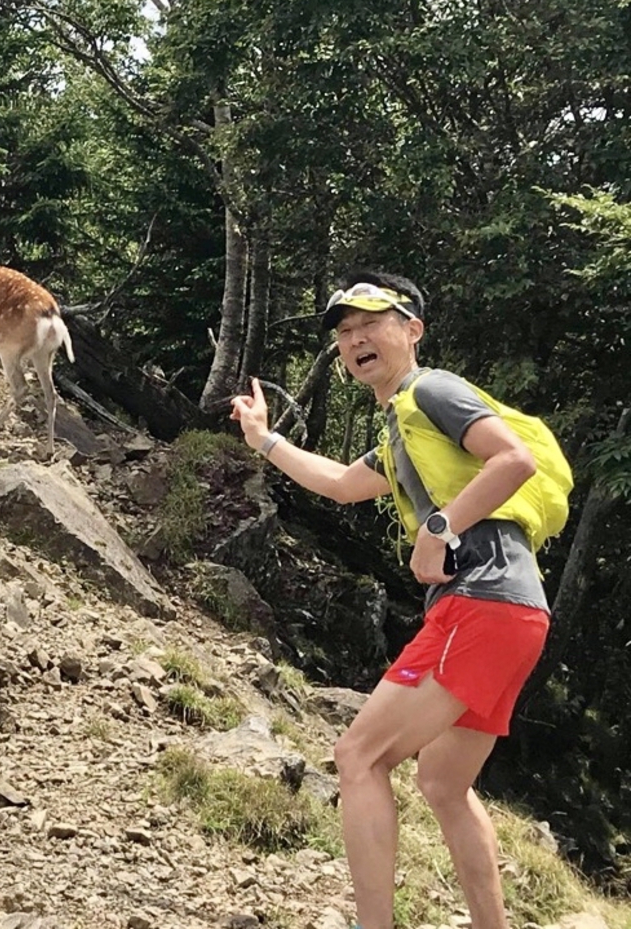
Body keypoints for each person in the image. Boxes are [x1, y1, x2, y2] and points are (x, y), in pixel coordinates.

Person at [230, 271, 551, 929]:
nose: (354, 339)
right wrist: (265, 440)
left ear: (412, 328)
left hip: (482, 602)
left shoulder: (431, 391)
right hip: (514, 610)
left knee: (359, 755)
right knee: (442, 781)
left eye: (370, 322)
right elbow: (344, 484)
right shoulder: (400, 425)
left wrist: (441, 526)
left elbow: (513, 459)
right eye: (344, 332)